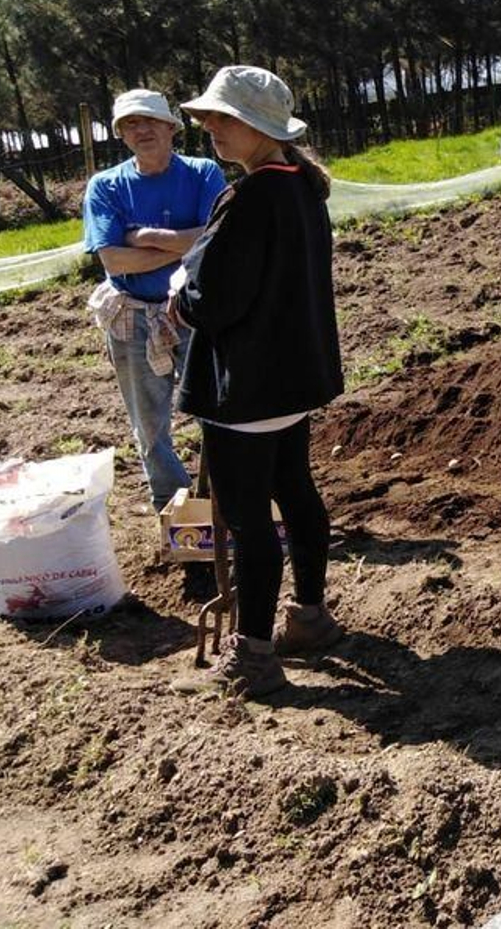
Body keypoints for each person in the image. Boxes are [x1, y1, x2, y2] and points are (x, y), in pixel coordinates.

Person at [173, 66, 344, 697]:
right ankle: (311, 617)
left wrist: (180, 301)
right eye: (210, 118)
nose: (212, 128)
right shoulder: (301, 184)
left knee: (248, 523)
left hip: (244, 388)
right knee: (296, 492)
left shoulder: (250, 199)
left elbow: (215, 301)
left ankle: (254, 657)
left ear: (260, 127)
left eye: (225, 118)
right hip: (290, 377)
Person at [82, 91, 227, 511]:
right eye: (130, 124)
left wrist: (145, 237)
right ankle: (171, 501)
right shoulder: (106, 186)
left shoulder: (203, 173)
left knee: (217, 407)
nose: (141, 130)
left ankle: (229, 489)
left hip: (195, 309)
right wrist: (187, 242)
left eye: (149, 121)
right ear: (121, 135)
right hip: (132, 314)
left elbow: (215, 239)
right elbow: (111, 257)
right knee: (149, 422)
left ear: (170, 127)